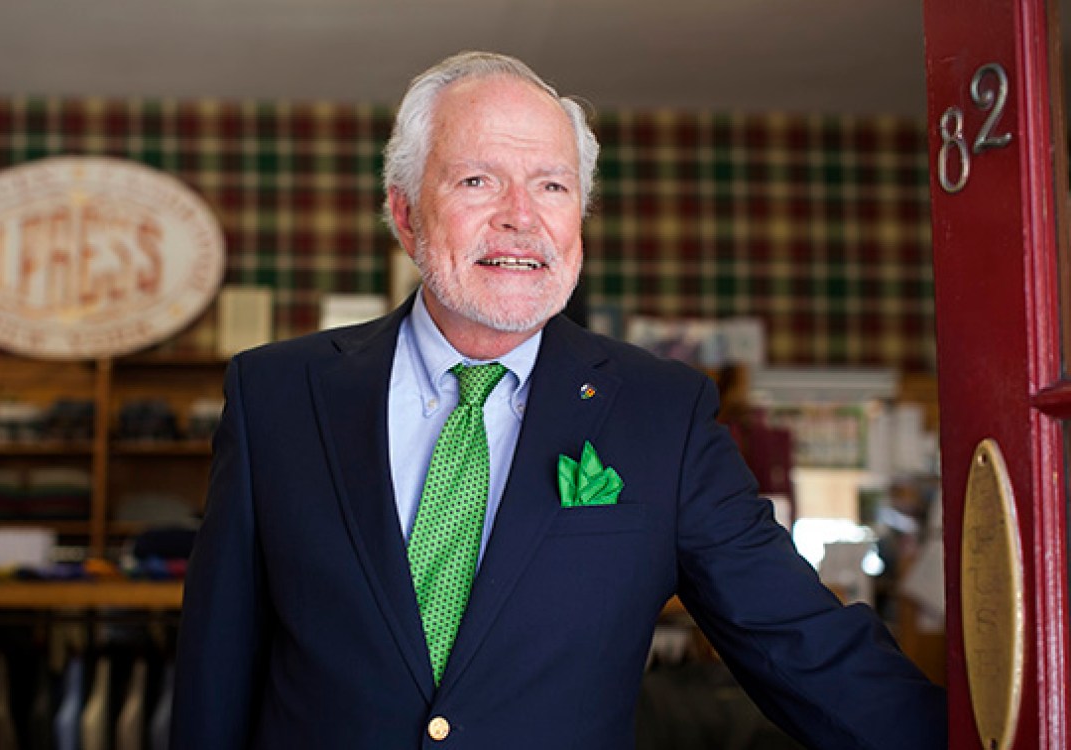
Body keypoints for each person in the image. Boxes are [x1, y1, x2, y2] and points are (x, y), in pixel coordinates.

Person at [171, 51, 946, 749]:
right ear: (405, 214)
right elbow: (217, 668)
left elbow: (801, 645)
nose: (521, 215)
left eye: (552, 185)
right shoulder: (276, 392)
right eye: (477, 180)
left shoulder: (661, 414)